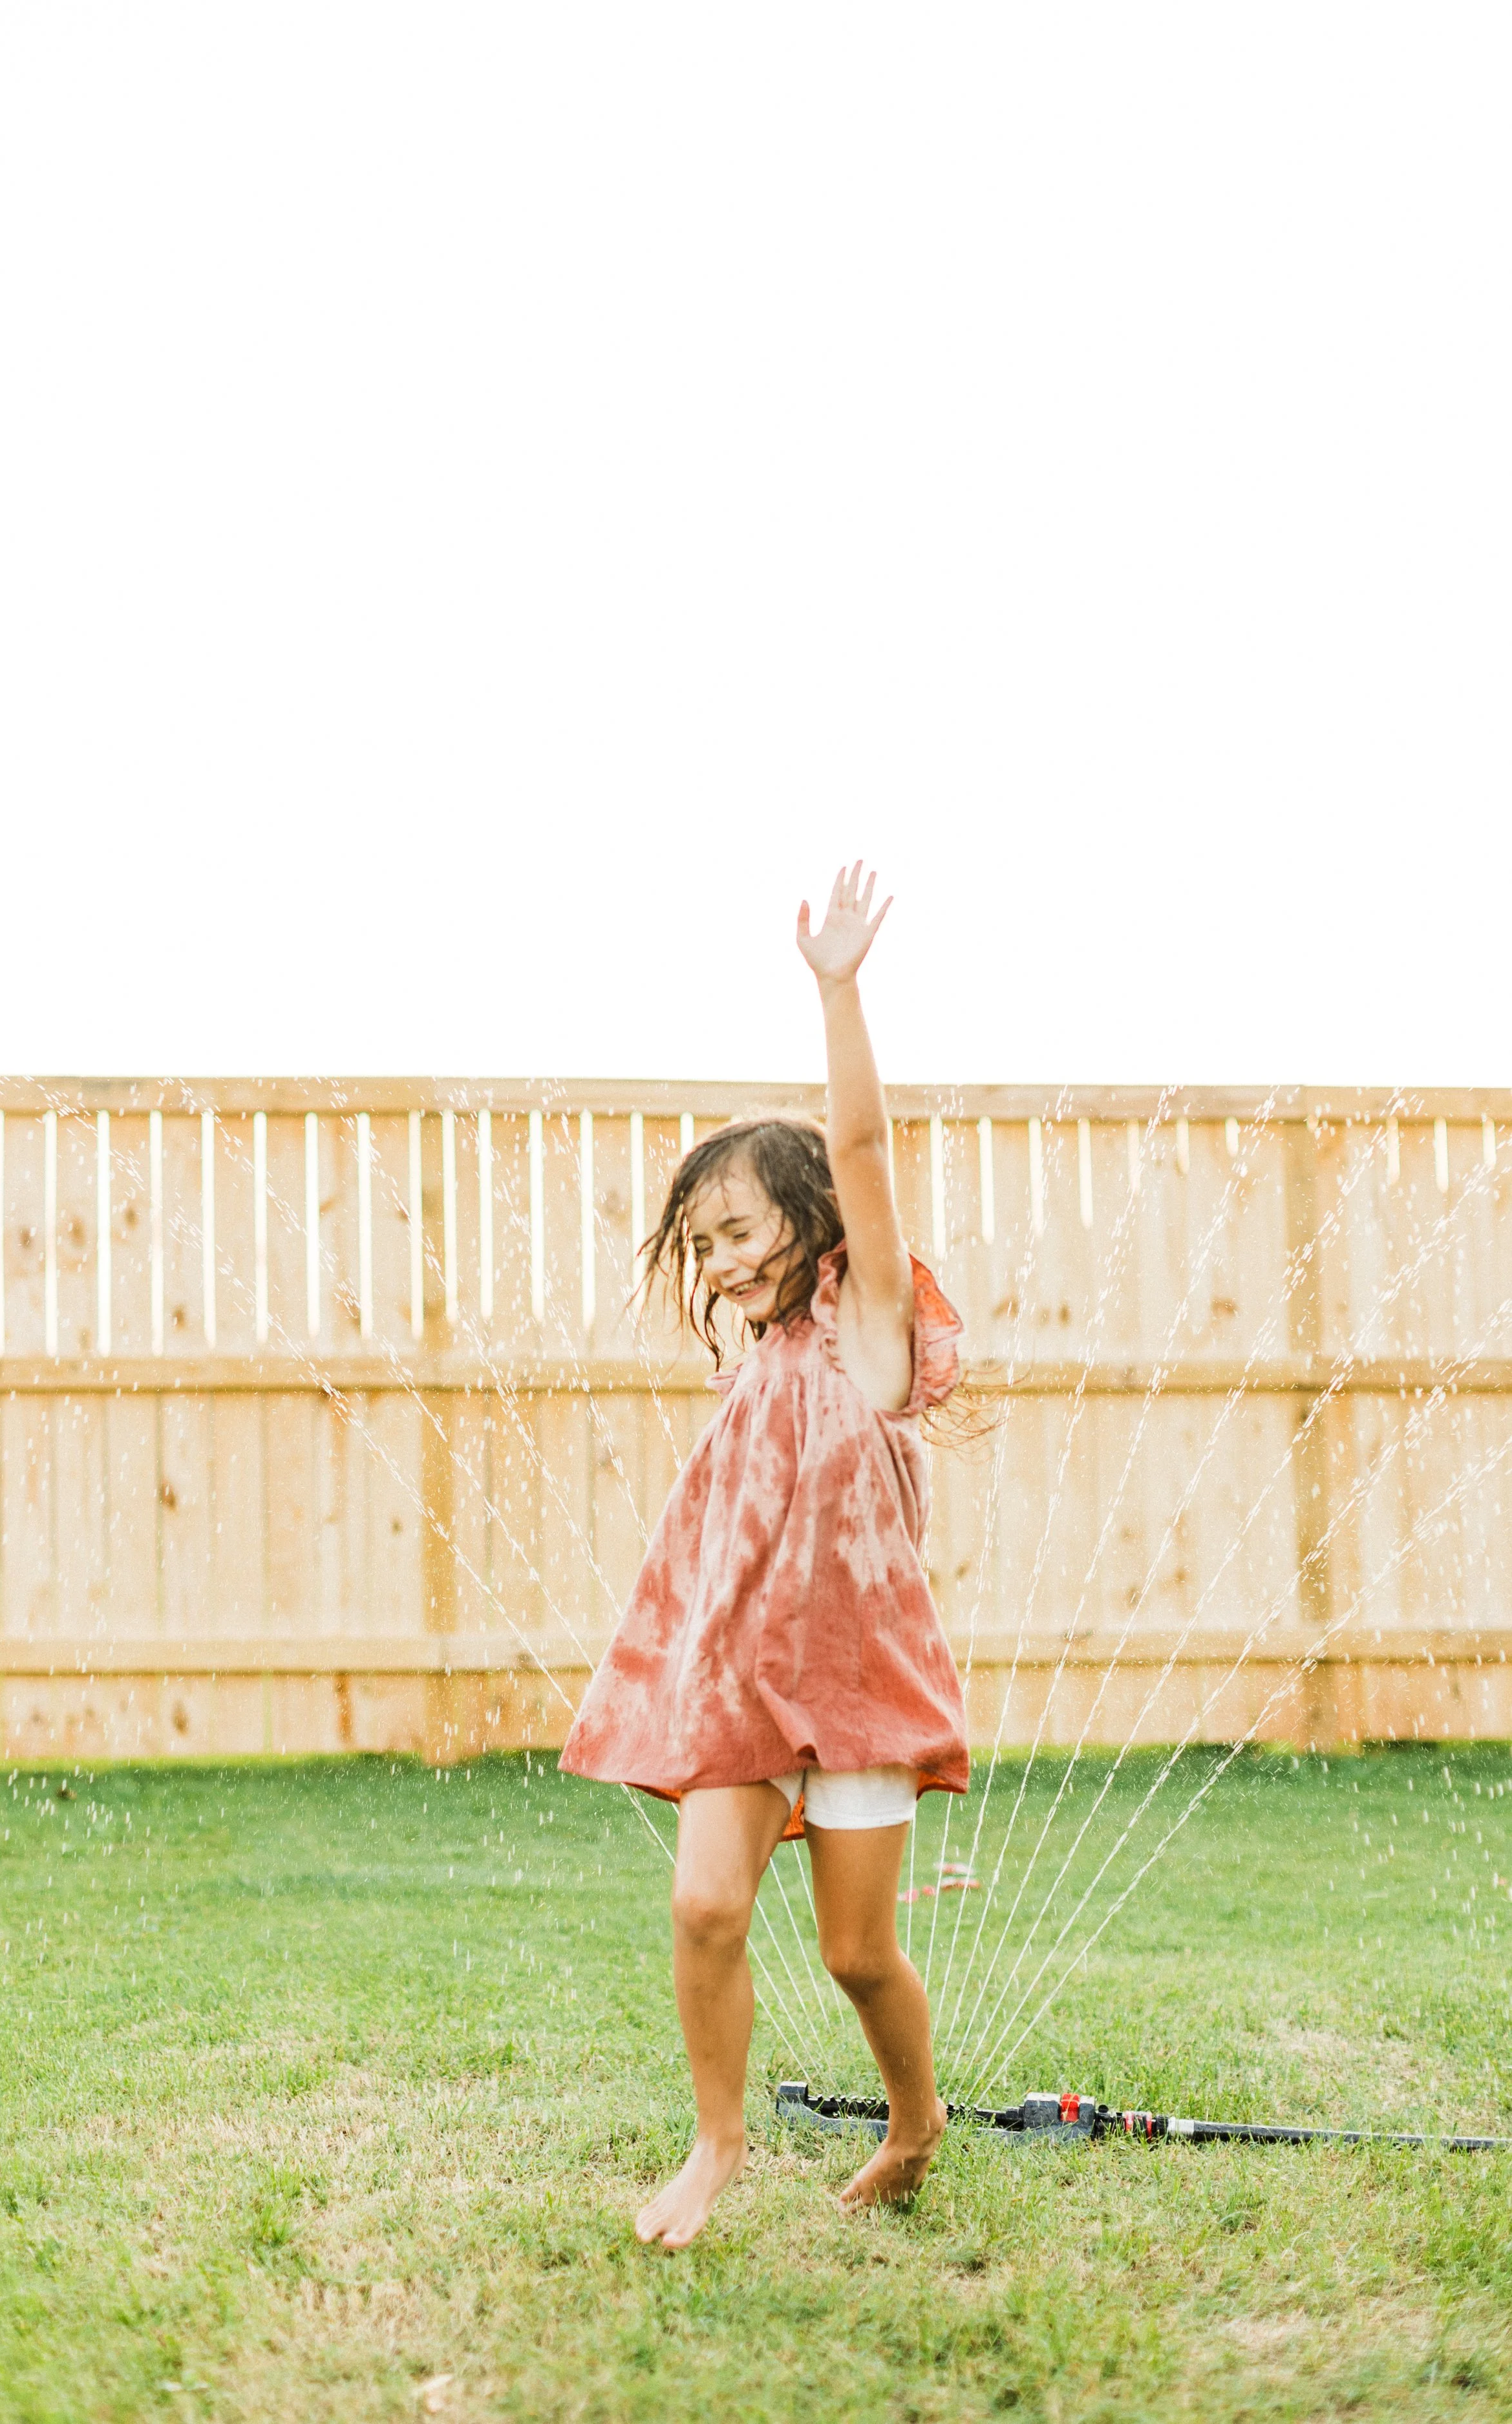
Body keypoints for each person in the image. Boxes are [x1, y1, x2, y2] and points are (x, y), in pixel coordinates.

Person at [559, 863, 973, 2249]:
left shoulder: (867, 1341)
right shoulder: (754, 1376)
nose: (723, 1261)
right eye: (702, 1246)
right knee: (700, 1904)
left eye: (739, 1231)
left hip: (855, 1686)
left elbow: (861, 1151)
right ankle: (715, 2142)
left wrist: (836, 989)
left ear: (811, 1224)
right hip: (739, 1685)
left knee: (857, 1955)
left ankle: (913, 2122)